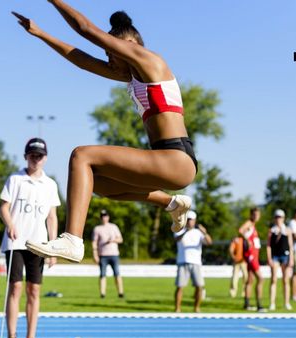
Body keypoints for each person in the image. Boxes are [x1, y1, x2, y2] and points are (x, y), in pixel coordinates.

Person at [12, 1, 197, 263]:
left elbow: (85, 28)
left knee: (81, 155)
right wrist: (42, 34)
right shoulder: (133, 76)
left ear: (130, 44)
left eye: (111, 53)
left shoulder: (150, 61)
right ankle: (171, 203)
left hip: (175, 157)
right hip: (166, 161)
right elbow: (83, 61)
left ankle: (73, 240)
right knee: (96, 184)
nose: (109, 60)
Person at [0, 138, 61, 338]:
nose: (36, 159)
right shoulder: (15, 179)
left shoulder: (50, 184)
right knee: (15, 287)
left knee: (34, 290)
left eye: (40, 155)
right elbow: (3, 207)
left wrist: (53, 247)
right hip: (15, 243)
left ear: (45, 158)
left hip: (38, 244)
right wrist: (10, 224)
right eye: (32, 155)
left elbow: (52, 217)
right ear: (26, 156)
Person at [174, 211, 212, 313]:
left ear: (195, 221)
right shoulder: (179, 230)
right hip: (183, 261)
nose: (190, 222)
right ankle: (177, 308)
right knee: (180, 286)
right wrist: (186, 231)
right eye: (188, 220)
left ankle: (197, 308)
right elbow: (177, 239)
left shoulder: (198, 233)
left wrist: (205, 232)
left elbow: (209, 242)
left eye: (191, 220)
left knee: (199, 286)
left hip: (196, 262)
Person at [92, 209, 124, 299]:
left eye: (105, 216)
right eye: (102, 216)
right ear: (100, 218)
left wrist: (113, 240)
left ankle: (120, 293)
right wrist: (95, 253)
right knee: (102, 274)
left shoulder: (114, 227)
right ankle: (102, 293)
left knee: (117, 274)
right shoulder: (97, 229)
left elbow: (121, 239)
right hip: (103, 255)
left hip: (114, 254)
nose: (104, 218)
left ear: (108, 217)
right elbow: (94, 242)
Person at [239, 207, 266, 312]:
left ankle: (247, 304)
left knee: (250, 280)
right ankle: (259, 304)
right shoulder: (249, 223)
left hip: (254, 255)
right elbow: (240, 230)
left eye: (258, 215)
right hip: (250, 255)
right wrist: (247, 240)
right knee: (260, 278)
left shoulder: (253, 225)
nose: (256, 217)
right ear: (251, 215)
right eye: (254, 215)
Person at [266, 209, 294, 311]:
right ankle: (272, 303)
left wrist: (291, 259)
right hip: (275, 257)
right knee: (273, 279)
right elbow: (268, 246)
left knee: (285, 280)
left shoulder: (287, 230)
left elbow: (290, 246)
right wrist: (269, 258)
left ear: (283, 218)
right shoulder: (271, 231)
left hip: (285, 256)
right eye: (277, 217)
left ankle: (286, 302)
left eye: (280, 217)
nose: (278, 219)